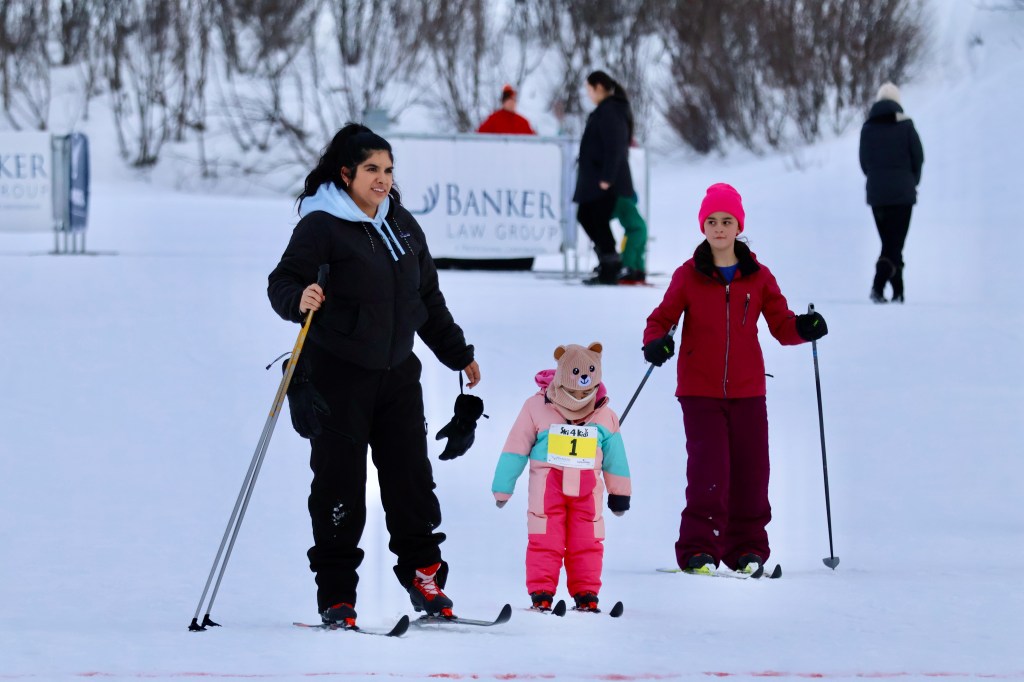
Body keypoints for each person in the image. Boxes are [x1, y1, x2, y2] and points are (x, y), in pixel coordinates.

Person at [267, 123, 484, 628]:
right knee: (339, 489)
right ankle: (337, 596)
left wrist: (457, 353)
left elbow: (426, 299)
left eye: (388, 169)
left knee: (412, 482)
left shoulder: (402, 225)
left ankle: (425, 578)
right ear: (345, 174)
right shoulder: (320, 226)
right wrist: (299, 298)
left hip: (398, 379)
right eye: (371, 169)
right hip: (337, 380)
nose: (383, 179)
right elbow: (283, 281)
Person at [642, 183, 828, 576]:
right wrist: (655, 343)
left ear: (739, 226)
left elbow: (781, 325)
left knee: (752, 472)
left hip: (748, 390)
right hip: (699, 390)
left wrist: (804, 327)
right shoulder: (688, 276)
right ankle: (699, 549)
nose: (719, 228)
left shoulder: (758, 277)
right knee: (709, 471)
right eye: (711, 221)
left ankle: (747, 550)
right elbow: (661, 319)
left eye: (727, 221)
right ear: (703, 226)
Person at [491, 343, 630, 613]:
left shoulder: (604, 414)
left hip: (587, 493)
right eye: (574, 385)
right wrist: (503, 486)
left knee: (587, 540)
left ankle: (586, 592)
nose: (582, 391)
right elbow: (516, 446)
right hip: (547, 491)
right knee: (545, 538)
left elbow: (616, 458)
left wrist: (620, 493)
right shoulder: (536, 406)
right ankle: (541, 592)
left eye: (587, 387)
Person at [859, 81, 924, 303]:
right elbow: (919, 158)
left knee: (891, 243)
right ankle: (878, 287)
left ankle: (898, 292)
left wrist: (876, 180)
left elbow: (864, 163)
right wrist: (912, 181)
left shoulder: (867, 128)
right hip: (903, 195)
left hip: (877, 196)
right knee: (893, 244)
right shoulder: (907, 125)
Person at [573, 70, 635, 285]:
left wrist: (607, 177)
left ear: (599, 87)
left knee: (594, 219)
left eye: (589, 89)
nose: (588, 94)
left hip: (605, 181)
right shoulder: (606, 109)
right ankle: (608, 263)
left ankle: (610, 266)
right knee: (588, 217)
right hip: (596, 180)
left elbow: (615, 146)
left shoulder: (611, 110)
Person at [612, 190, 648, 284]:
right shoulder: (630, 203)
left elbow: (612, 213)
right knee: (638, 251)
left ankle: (629, 270)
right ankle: (640, 271)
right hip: (642, 228)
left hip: (633, 230)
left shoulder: (621, 201)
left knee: (628, 250)